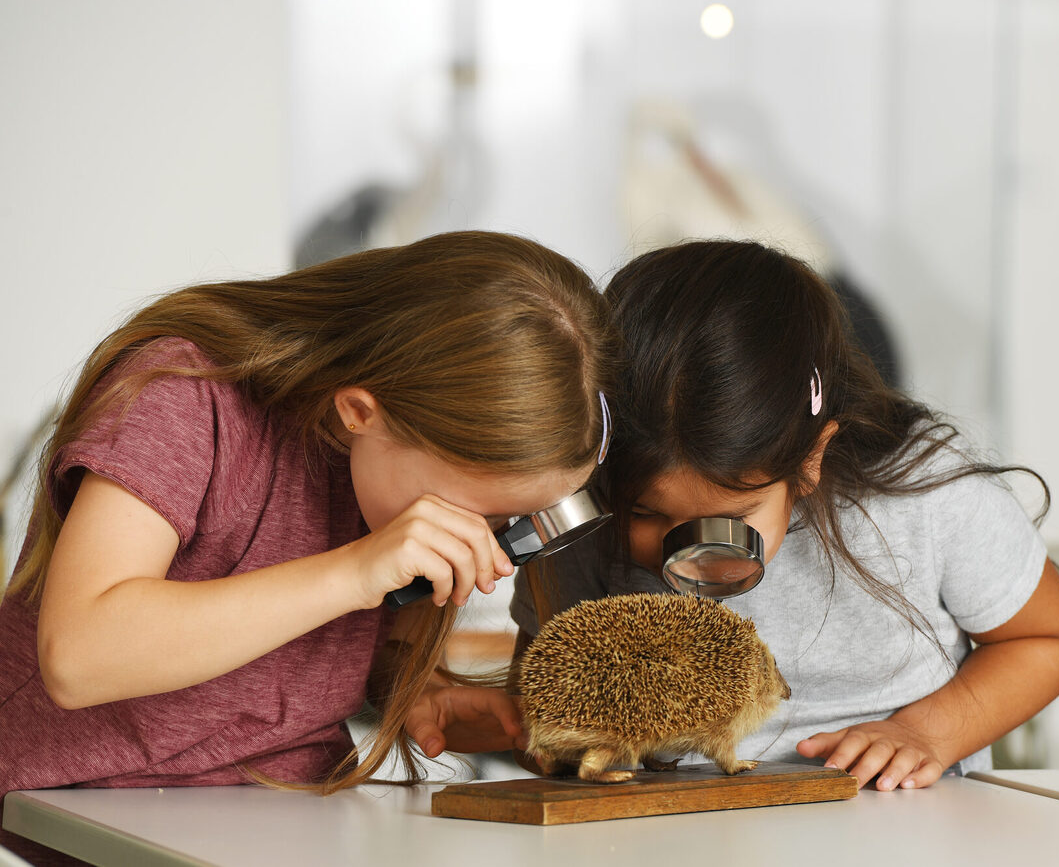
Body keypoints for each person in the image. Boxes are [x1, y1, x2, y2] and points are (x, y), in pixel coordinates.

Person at [0, 231, 616, 804]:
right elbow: (77, 658)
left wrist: (418, 693)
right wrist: (352, 571)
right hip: (83, 801)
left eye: (508, 525)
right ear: (359, 411)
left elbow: (316, 659)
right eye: (471, 515)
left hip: (287, 808)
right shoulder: (180, 393)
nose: (484, 553)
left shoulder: (385, 478)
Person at [510, 239, 1059, 791]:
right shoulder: (582, 521)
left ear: (810, 458)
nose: (684, 552)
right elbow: (550, 692)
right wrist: (529, 732)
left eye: (732, 520)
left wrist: (924, 732)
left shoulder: (924, 495)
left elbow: (1048, 638)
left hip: (892, 812)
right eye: (644, 513)